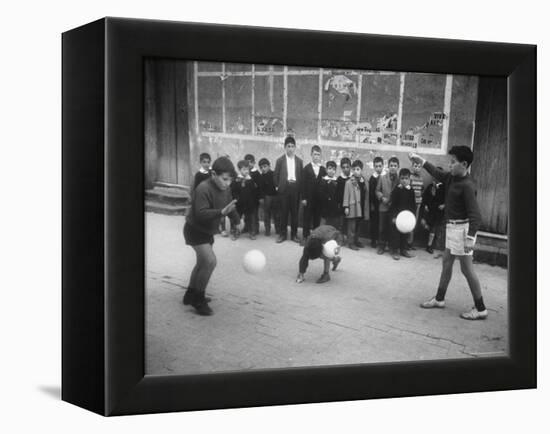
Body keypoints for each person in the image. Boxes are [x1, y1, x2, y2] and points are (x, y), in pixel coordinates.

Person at [409, 147, 487, 320]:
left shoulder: (467, 186)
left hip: (462, 231)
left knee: (467, 269)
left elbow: (476, 216)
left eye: (453, 162)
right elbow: (436, 172)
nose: (449, 165)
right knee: (446, 262)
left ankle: (481, 308)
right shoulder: (451, 177)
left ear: (464, 164)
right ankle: (439, 298)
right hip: (452, 228)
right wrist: (419, 160)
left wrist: (470, 237)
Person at [183, 156, 239, 316]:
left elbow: (230, 206)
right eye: (224, 179)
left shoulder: (226, 188)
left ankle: (190, 294)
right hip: (194, 230)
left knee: (201, 263)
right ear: (213, 174)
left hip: (207, 231)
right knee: (210, 262)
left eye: (230, 180)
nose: (227, 183)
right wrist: (221, 213)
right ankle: (198, 300)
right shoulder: (203, 188)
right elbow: (200, 214)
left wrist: (236, 220)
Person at [273, 136, 303, 243]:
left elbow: (301, 176)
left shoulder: (299, 161)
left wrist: (300, 190)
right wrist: (278, 187)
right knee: (283, 213)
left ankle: (294, 235)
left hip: (295, 188)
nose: (290, 148)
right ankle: (282, 234)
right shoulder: (280, 161)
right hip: (284, 189)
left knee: (294, 213)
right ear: (285, 147)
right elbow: (275, 175)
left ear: (295, 148)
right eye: (288, 146)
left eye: (292, 146)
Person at [388, 168, 416, 260]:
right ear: (399, 179)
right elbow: (393, 204)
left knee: (405, 234)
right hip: (397, 217)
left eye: (406, 178)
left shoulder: (411, 190)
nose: (404, 180)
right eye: (402, 178)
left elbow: (413, 205)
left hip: (406, 217)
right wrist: (393, 217)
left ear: (409, 179)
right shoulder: (397, 189)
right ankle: (395, 250)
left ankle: (403, 250)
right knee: (396, 234)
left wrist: (412, 217)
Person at [375, 156, 400, 255]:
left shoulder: (400, 179)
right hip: (383, 207)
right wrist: (381, 198)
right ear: (388, 166)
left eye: (395, 165)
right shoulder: (382, 177)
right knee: (382, 228)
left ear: (398, 167)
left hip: (394, 208)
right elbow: (377, 190)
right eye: (391, 165)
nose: (393, 167)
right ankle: (381, 246)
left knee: (393, 228)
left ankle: (393, 248)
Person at [301, 145, 327, 240]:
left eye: (318, 155)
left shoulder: (323, 170)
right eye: (315, 154)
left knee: (317, 217)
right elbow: (303, 184)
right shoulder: (306, 168)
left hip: (318, 199)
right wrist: (303, 198)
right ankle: (305, 235)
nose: (316, 157)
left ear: (320, 156)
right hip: (308, 198)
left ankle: (315, 236)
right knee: (307, 217)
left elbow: (324, 185)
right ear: (311, 155)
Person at [342, 159, 369, 250]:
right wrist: (346, 207)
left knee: (358, 226)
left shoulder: (364, 181)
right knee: (351, 226)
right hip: (353, 206)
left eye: (358, 169)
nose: (356, 171)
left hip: (360, 206)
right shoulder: (349, 182)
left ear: (361, 170)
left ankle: (356, 240)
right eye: (354, 169)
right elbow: (346, 195)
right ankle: (351, 242)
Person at [231, 160, 259, 240]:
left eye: (247, 169)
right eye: (244, 169)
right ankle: (236, 232)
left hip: (249, 203)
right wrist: (236, 199)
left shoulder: (250, 179)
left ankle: (251, 232)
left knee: (250, 218)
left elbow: (253, 190)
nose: (246, 171)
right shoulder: (236, 180)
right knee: (237, 218)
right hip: (239, 203)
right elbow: (233, 190)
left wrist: (250, 180)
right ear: (239, 170)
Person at [420, 177, 446, 254]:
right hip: (429, 210)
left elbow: (448, 198)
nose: (436, 179)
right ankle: (423, 240)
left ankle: (429, 245)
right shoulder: (430, 186)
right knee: (424, 224)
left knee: (433, 228)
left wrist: (444, 205)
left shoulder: (444, 187)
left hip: (438, 211)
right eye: (434, 177)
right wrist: (425, 205)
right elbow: (424, 197)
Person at [258, 157, 279, 236]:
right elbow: (260, 188)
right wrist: (261, 197)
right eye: (261, 168)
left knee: (276, 214)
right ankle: (267, 230)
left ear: (269, 166)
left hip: (275, 196)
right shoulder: (261, 177)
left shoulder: (274, 174)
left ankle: (278, 229)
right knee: (266, 214)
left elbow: (277, 185)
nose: (263, 169)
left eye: (265, 166)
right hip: (267, 197)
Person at [408, 160, 425, 250]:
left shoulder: (421, 179)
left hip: (418, 204)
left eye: (419, 166)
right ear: (412, 167)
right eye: (415, 166)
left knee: (414, 223)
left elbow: (421, 190)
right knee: (408, 222)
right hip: (411, 204)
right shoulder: (409, 177)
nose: (417, 168)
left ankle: (410, 243)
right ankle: (406, 242)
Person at [368, 156, 384, 248]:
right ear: (374, 167)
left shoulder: (384, 177)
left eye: (380, 166)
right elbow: (370, 193)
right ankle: (373, 240)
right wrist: (372, 205)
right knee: (374, 223)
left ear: (383, 166)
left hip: (382, 204)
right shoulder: (372, 178)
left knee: (381, 223)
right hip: (374, 205)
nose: (378, 168)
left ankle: (380, 240)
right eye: (376, 166)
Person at [319, 161, 340, 228]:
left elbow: (338, 194)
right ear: (326, 169)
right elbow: (321, 193)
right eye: (330, 168)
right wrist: (328, 198)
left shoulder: (337, 180)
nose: (331, 171)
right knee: (323, 224)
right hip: (325, 207)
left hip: (334, 207)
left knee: (333, 225)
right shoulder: (323, 180)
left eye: (334, 169)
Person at [244, 154, 261, 235]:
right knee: (246, 213)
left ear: (254, 163)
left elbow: (259, 186)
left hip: (254, 198)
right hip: (246, 197)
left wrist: (259, 197)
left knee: (254, 214)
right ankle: (246, 227)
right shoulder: (245, 172)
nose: (248, 164)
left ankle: (255, 229)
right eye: (247, 163)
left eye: (250, 162)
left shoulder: (256, 173)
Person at [336, 157, 352, 240]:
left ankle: (350, 239)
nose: (346, 169)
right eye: (343, 167)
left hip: (351, 204)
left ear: (350, 167)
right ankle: (341, 238)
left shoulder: (353, 178)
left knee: (350, 223)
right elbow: (338, 193)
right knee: (341, 223)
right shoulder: (339, 179)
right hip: (342, 204)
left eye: (347, 167)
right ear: (341, 168)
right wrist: (339, 204)